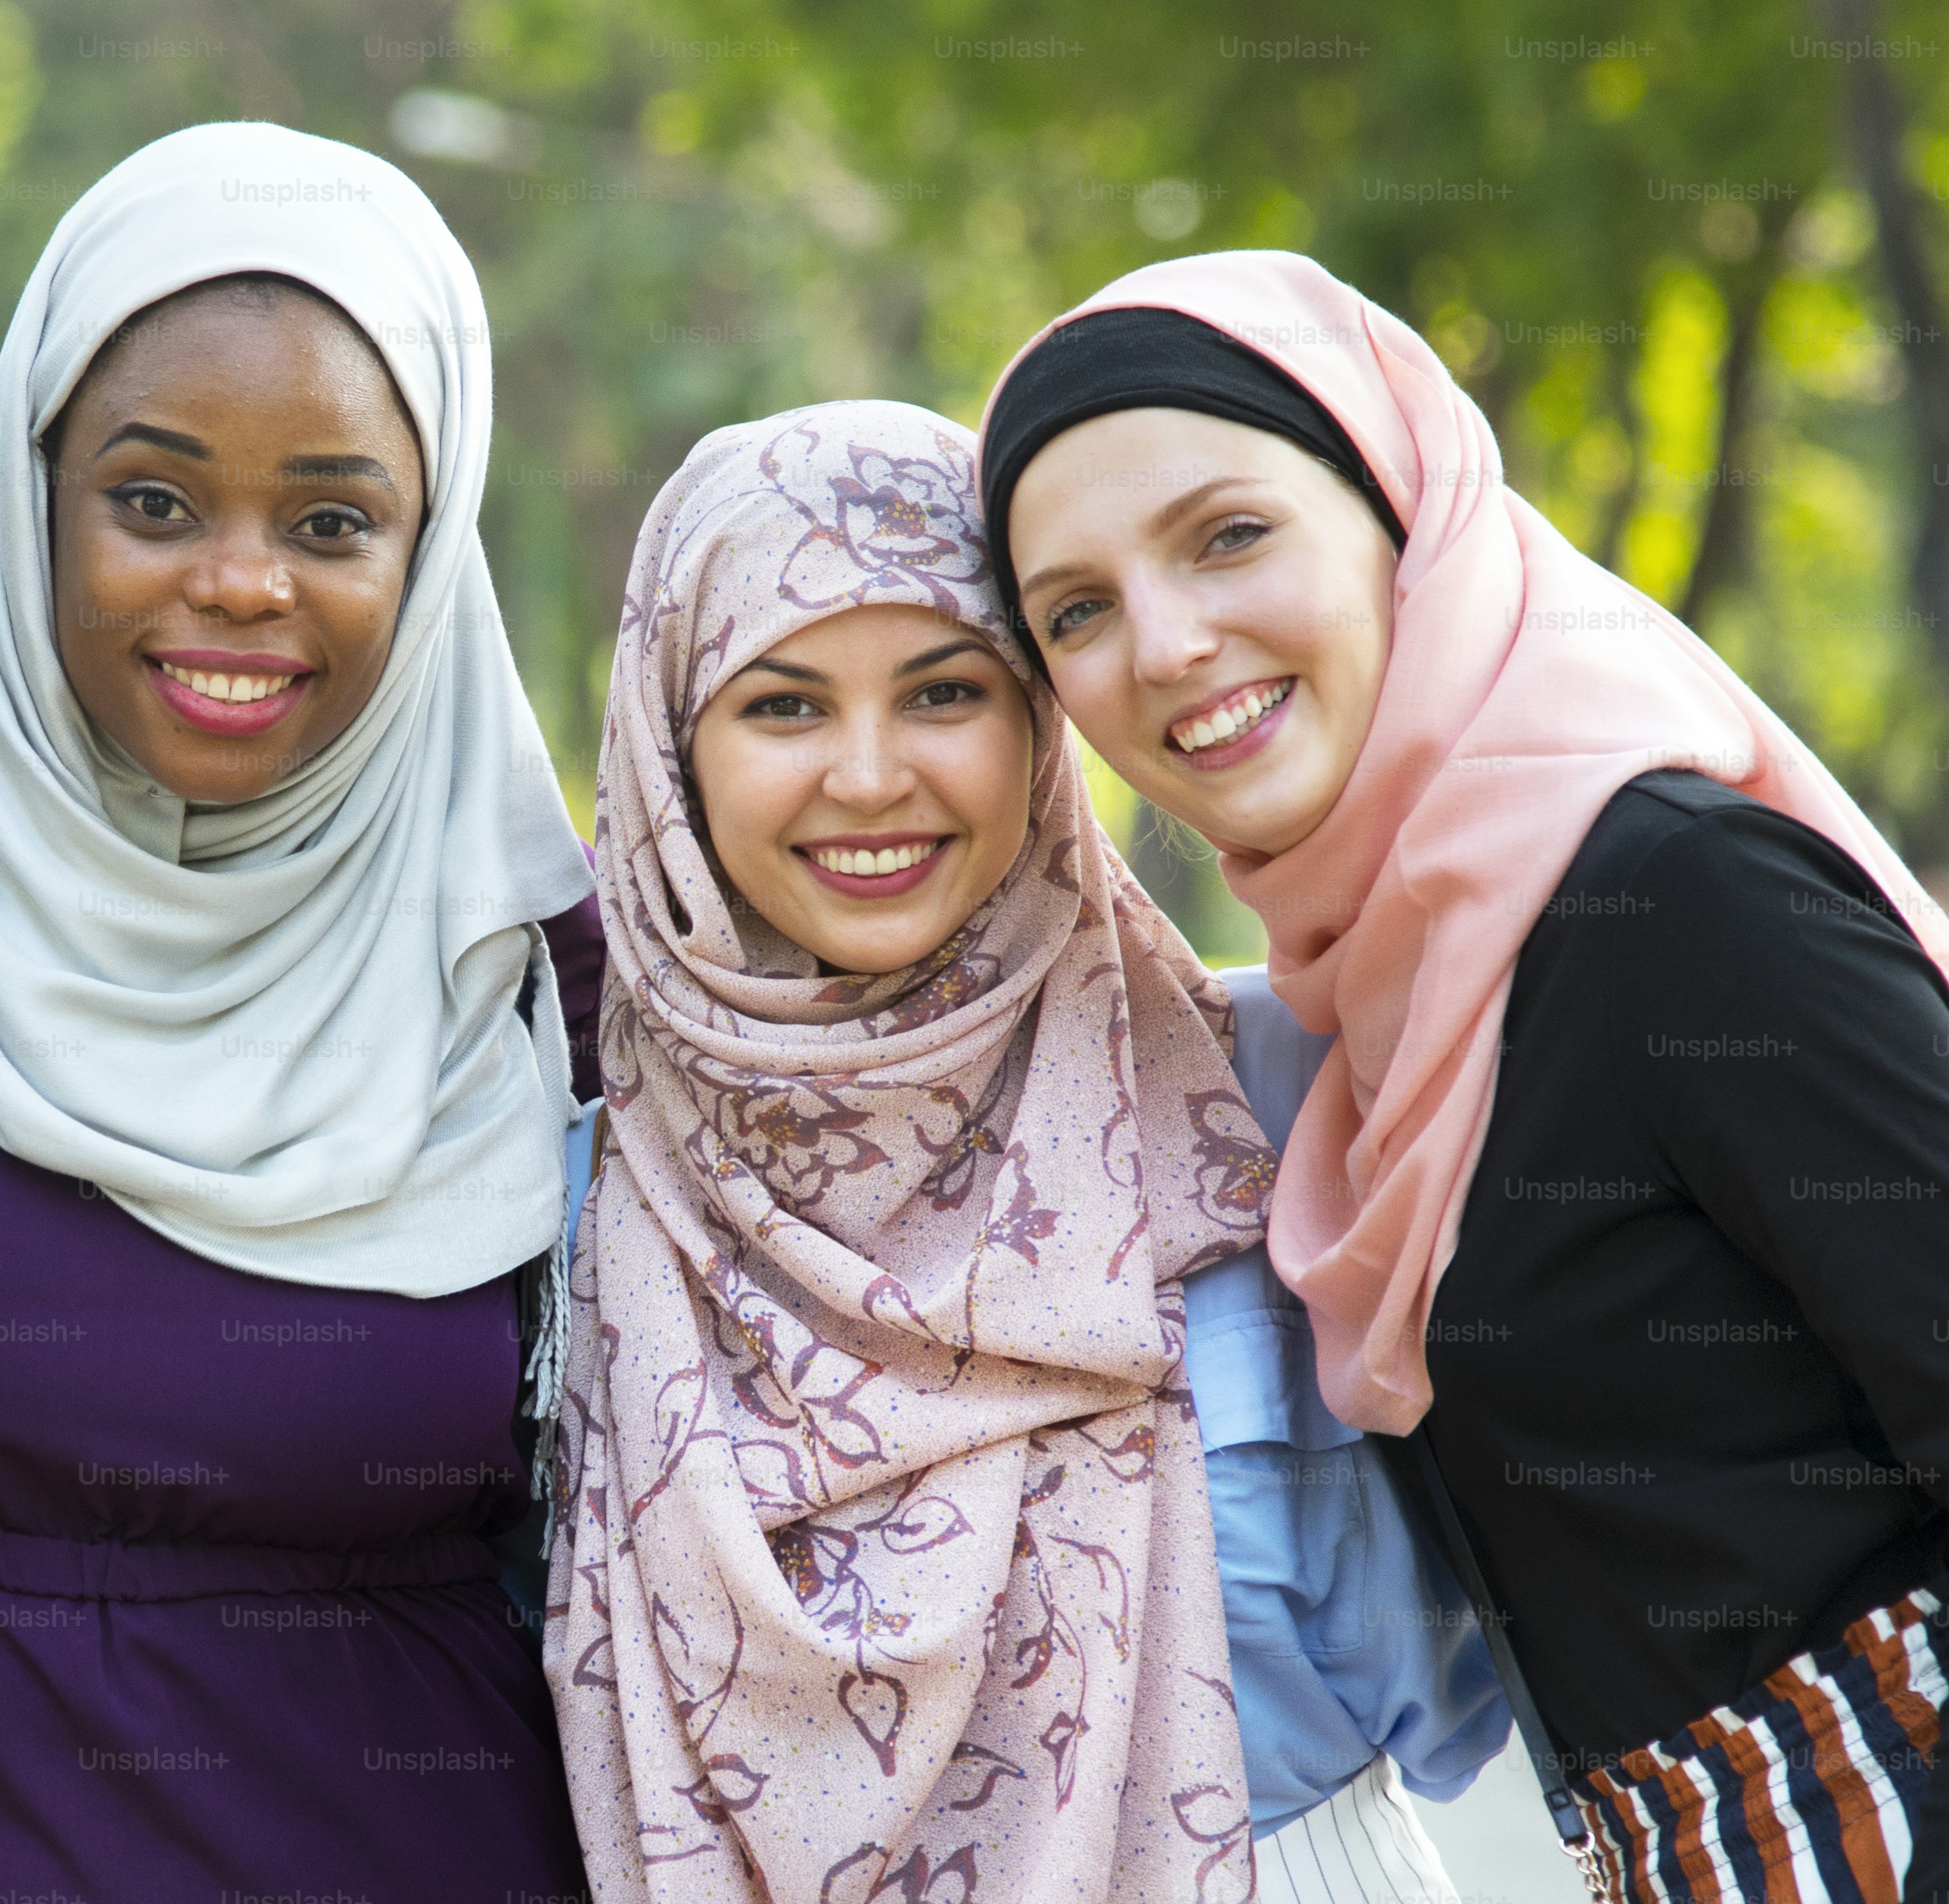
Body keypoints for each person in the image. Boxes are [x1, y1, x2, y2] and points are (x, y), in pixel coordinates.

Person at [0, 123, 600, 1901]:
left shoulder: (538, 961)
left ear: (430, 545)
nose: (239, 580)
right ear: (31, 487)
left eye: (333, 519)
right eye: (152, 499)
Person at [983, 248, 1949, 1904]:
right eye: (1075, 609)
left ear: (1402, 517)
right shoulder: (1384, 994)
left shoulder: (1663, 894)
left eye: (1227, 534)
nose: (1162, 641)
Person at [547, 397, 1500, 1904]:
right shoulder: (578, 1206)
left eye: (944, 692)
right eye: (782, 706)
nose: (868, 777)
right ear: (672, 751)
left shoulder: (1276, 1093)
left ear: (1043, 721)